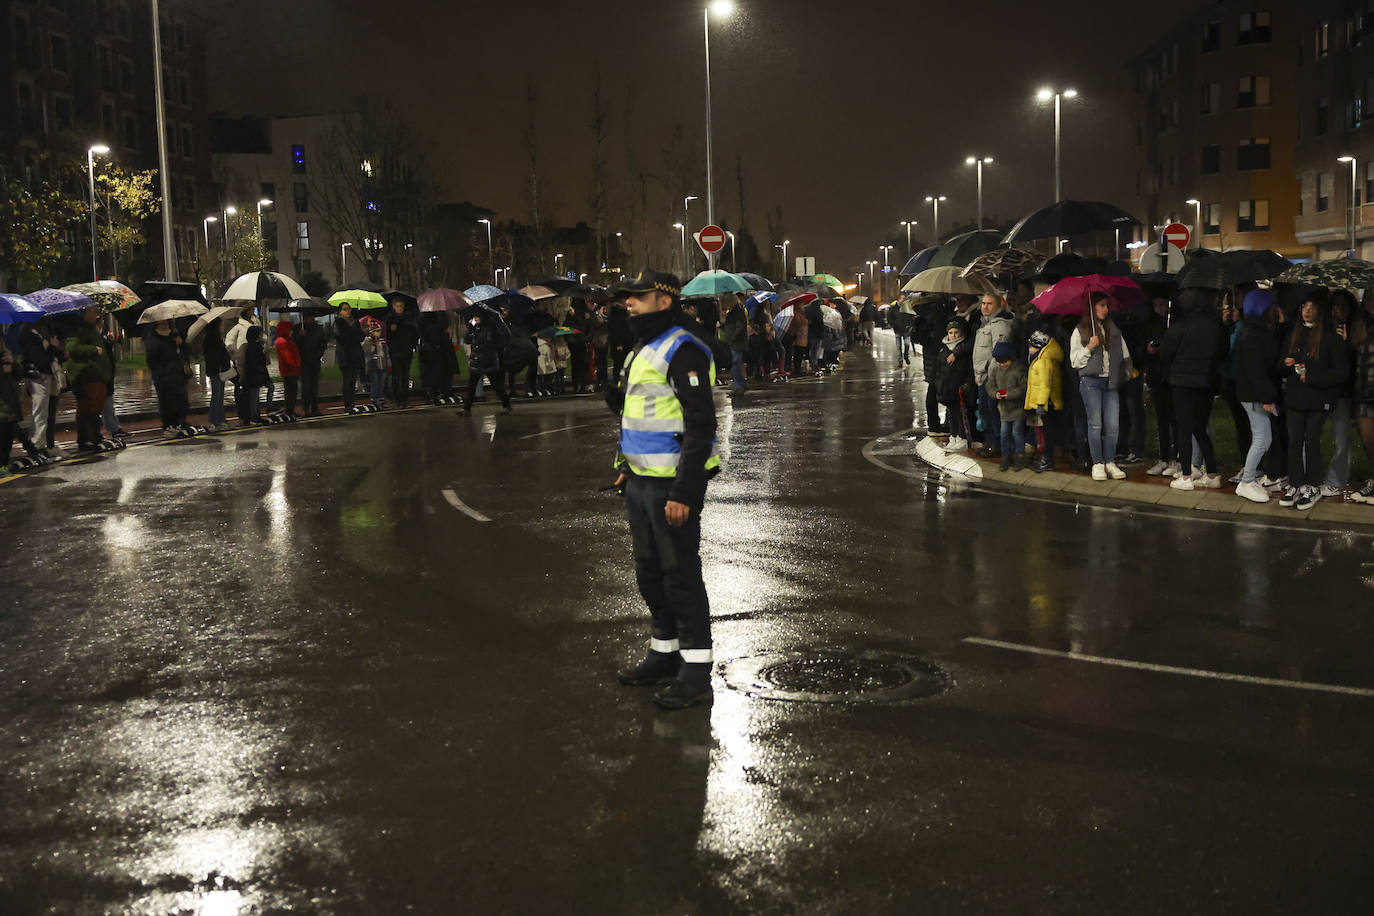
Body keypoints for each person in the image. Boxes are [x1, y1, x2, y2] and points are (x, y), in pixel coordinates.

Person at [607, 269, 720, 711]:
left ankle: (695, 673)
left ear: (665, 300)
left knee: (680, 576)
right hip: (640, 482)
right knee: (650, 574)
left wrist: (685, 493)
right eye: (627, 298)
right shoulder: (644, 348)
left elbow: (700, 425)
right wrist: (625, 468)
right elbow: (639, 418)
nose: (629, 304)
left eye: (639, 297)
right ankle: (664, 653)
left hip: (671, 487)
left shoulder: (682, 349)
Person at [1278, 293, 1349, 510]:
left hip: (1319, 399)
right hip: (1295, 398)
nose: (1307, 310)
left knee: (1311, 442)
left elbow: (1341, 373)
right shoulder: (1294, 334)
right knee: (1294, 442)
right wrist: (1287, 364)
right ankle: (1296, 483)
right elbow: (1279, 366)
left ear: (1320, 310)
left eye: (1312, 306)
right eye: (1304, 306)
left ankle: (1312, 485)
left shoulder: (1331, 338)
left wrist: (1313, 378)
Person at [1160, 287, 1228, 491]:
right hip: (1207, 381)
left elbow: (1165, 354)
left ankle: (1187, 475)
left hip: (1182, 382)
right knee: (1200, 427)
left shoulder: (1181, 325)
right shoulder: (1217, 325)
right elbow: (1223, 352)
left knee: (1184, 428)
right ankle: (1213, 473)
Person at [1070, 292, 1133, 481]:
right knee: (1095, 423)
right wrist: (1089, 347)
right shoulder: (1080, 330)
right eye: (1101, 305)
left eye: (1107, 306)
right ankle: (1097, 462)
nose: (1105, 309)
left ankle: (1110, 461)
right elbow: (1075, 361)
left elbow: (1125, 356)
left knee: (1113, 424)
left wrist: (1125, 374)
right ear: (1092, 307)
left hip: (1111, 382)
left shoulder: (1113, 329)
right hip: (1091, 382)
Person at [1232, 290, 1281, 504]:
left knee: (1261, 437)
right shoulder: (1257, 334)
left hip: (1250, 392)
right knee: (1263, 438)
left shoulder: (1250, 330)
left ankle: (1248, 479)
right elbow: (1257, 371)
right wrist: (1268, 399)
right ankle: (1247, 481)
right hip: (1254, 394)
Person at [972, 293, 1017, 458]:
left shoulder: (999, 325)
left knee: (993, 412)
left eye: (989, 304)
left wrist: (986, 372)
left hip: (992, 379)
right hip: (983, 378)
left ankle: (997, 445)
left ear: (999, 306)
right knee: (985, 412)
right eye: (983, 303)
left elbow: (998, 355)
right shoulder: (986, 324)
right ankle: (990, 443)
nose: (985, 306)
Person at [63, 306, 113, 451]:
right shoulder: (79, 329)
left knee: (93, 408)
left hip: (95, 376)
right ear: (84, 313)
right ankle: (87, 439)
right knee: (88, 409)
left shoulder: (91, 328)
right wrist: (93, 350)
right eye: (93, 311)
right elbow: (72, 347)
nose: (96, 313)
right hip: (87, 376)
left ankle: (93, 437)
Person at [1140, 295, 1179, 476]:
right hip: (1157, 376)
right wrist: (1149, 350)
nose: (1160, 308)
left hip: (1172, 377)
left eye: (1162, 304)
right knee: (1161, 419)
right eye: (1156, 305)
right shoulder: (1151, 323)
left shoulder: (1175, 323)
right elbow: (1142, 348)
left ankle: (1177, 458)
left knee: (1175, 419)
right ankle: (1164, 457)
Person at [19, 317, 62, 455]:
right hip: (39, 377)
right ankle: (37, 444)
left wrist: (54, 347)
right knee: (40, 411)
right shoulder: (29, 335)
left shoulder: (41, 334)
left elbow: (49, 355)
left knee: (45, 411)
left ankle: (44, 443)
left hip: (46, 377)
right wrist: (53, 348)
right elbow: (39, 358)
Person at [1024, 328, 1064, 473]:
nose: (1029, 349)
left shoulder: (1044, 362)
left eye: (1032, 346)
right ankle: (1044, 457)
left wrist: (1041, 403)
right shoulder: (1040, 360)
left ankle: (1047, 459)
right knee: (1041, 432)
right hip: (1044, 404)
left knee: (1046, 433)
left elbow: (1045, 384)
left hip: (1046, 404)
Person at [986, 341, 1029, 471]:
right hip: (1004, 409)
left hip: (1017, 408)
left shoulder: (1018, 370)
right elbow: (990, 385)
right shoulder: (995, 370)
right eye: (999, 362)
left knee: (1017, 433)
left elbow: (1024, 387)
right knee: (1004, 434)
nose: (1002, 364)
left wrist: (1009, 394)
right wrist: (995, 394)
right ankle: (1006, 456)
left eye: (1004, 361)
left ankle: (1020, 456)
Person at [145, 319, 192, 436]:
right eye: (161, 324)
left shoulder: (175, 334)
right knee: (167, 401)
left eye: (166, 323)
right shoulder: (153, 338)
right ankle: (169, 424)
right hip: (163, 376)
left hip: (178, 374)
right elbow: (152, 358)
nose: (164, 326)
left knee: (182, 400)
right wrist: (161, 372)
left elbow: (186, 351)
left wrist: (181, 343)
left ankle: (180, 421)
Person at [461, 310, 513, 414]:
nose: (475, 319)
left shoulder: (491, 328)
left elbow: (494, 341)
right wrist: (470, 328)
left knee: (496, 385)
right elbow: (467, 340)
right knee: (471, 386)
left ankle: (506, 404)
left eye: (477, 317)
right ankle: (466, 408)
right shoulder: (475, 328)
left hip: (488, 361)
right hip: (477, 361)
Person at [938, 316, 976, 452]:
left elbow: (970, 371)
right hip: (949, 389)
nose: (953, 336)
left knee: (961, 415)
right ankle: (953, 436)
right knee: (952, 415)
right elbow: (940, 370)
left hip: (960, 389)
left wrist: (967, 385)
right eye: (950, 333)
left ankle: (962, 438)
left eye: (956, 332)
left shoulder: (963, 351)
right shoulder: (944, 350)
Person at [1350, 291, 1374, 505]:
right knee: (1368, 440)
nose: (1371, 302)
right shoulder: (1360, 326)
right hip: (1363, 393)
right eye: (1368, 298)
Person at [385, 298, 417, 407]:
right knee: (396, 375)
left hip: (406, 350)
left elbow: (414, 333)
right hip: (395, 351)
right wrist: (391, 330)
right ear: (393, 306)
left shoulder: (409, 318)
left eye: (401, 306)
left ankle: (405, 398)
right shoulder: (390, 318)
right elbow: (387, 336)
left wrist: (413, 345)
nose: (399, 308)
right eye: (397, 306)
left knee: (405, 375)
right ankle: (397, 398)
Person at [203, 315, 232, 430]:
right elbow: (215, 355)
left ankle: (219, 419)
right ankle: (215, 420)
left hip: (218, 369)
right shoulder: (212, 338)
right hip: (217, 370)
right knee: (217, 395)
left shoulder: (214, 337)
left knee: (219, 395)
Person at [334, 303, 365, 411]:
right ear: (340, 312)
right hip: (345, 355)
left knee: (353, 380)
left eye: (348, 309)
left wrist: (355, 329)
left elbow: (361, 336)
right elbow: (343, 337)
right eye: (344, 309)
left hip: (355, 355)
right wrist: (353, 332)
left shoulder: (355, 322)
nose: (347, 311)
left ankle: (352, 402)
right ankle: (348, 404)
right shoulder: (338, 322)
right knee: (347, 380)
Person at [294, 314, 326, 416]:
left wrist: (318, 354)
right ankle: (306, 408)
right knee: (306, 386)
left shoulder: (318, 328)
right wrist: (300, 335)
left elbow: (323, 343)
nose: (310, 319)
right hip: (303, 361)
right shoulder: (298, 328)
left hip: (315, 360)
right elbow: (293, 343)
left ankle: (315, 408)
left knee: (314, 386)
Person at [719, 293, 749, 393]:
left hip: (737, 342)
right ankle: (740, 384)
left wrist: (733, 337)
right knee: (736, 364)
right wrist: (722, 324)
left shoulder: (737, 311)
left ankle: (738, 386)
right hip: (734, 341)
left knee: (735, 364)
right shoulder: (733, 311)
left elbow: (739, 327)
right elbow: (730, 327)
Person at [272, 320, 301, 417]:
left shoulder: (285, 340)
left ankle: (290, 410)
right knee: (291, 392)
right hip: (289, 370)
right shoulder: (283, 342)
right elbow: (288, 357)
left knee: (291, 391)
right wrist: (296, 365)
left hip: (289, 370)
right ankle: (289, 411)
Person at [242, 325, 270, 424]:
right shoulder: (255, 346)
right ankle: (254, 416)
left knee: (255, 396)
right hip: (254, 375)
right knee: (254, 396)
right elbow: (258, 362)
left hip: (252, 375)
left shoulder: (250, 346)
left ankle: (255, 415)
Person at [363, 322, 390, 409]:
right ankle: (374, 400)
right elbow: (367, 353)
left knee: (381, 383)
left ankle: (381, 400)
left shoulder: (382, 341)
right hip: (373, 366)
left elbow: (386, 353)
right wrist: (373, 346)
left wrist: (389, 364)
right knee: (375, 383)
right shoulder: (367, 341)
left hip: (382, 365)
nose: (378, 333)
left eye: (379, 331)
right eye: (376, 331)